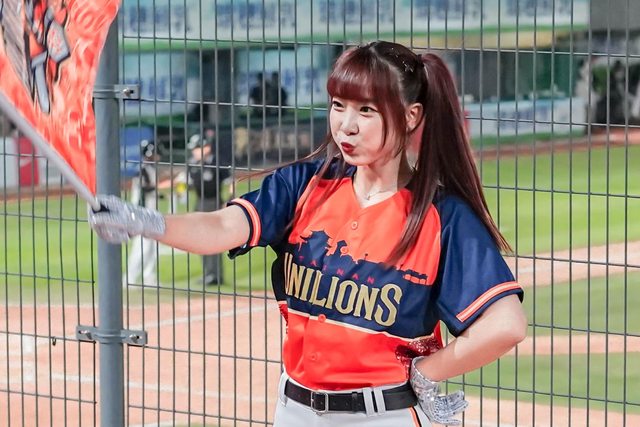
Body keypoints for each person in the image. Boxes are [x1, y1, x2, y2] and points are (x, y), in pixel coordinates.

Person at [88, 41, 527, 426]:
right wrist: (151, 222)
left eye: (366, 110)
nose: (346, 124)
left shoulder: (441, 216)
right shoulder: (305, 185)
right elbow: (223, 225)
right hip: (294, 410)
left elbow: (505, 324)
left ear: (411, 116)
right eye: (338, 105)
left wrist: (429, 372)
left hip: (384, 415)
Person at [186, 128, 230, 285]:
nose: (194, 152)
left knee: (214, 239)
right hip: (200, 202)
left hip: (214, 202)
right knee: (200, 239)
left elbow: (230, 182)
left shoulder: (216, 162)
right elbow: (189, 184)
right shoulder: (192, 163)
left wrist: (229, 200)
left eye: (196, 148)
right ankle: (207, 273)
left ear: (206, 147)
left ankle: (216, 275)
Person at [124, 138, 165, 287]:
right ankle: (129, 278)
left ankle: (149, 277)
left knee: (153, 246)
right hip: (141, 213)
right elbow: (143, 188)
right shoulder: (142, 169)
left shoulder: (151, 169)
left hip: (151, 212)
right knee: (141, 247)